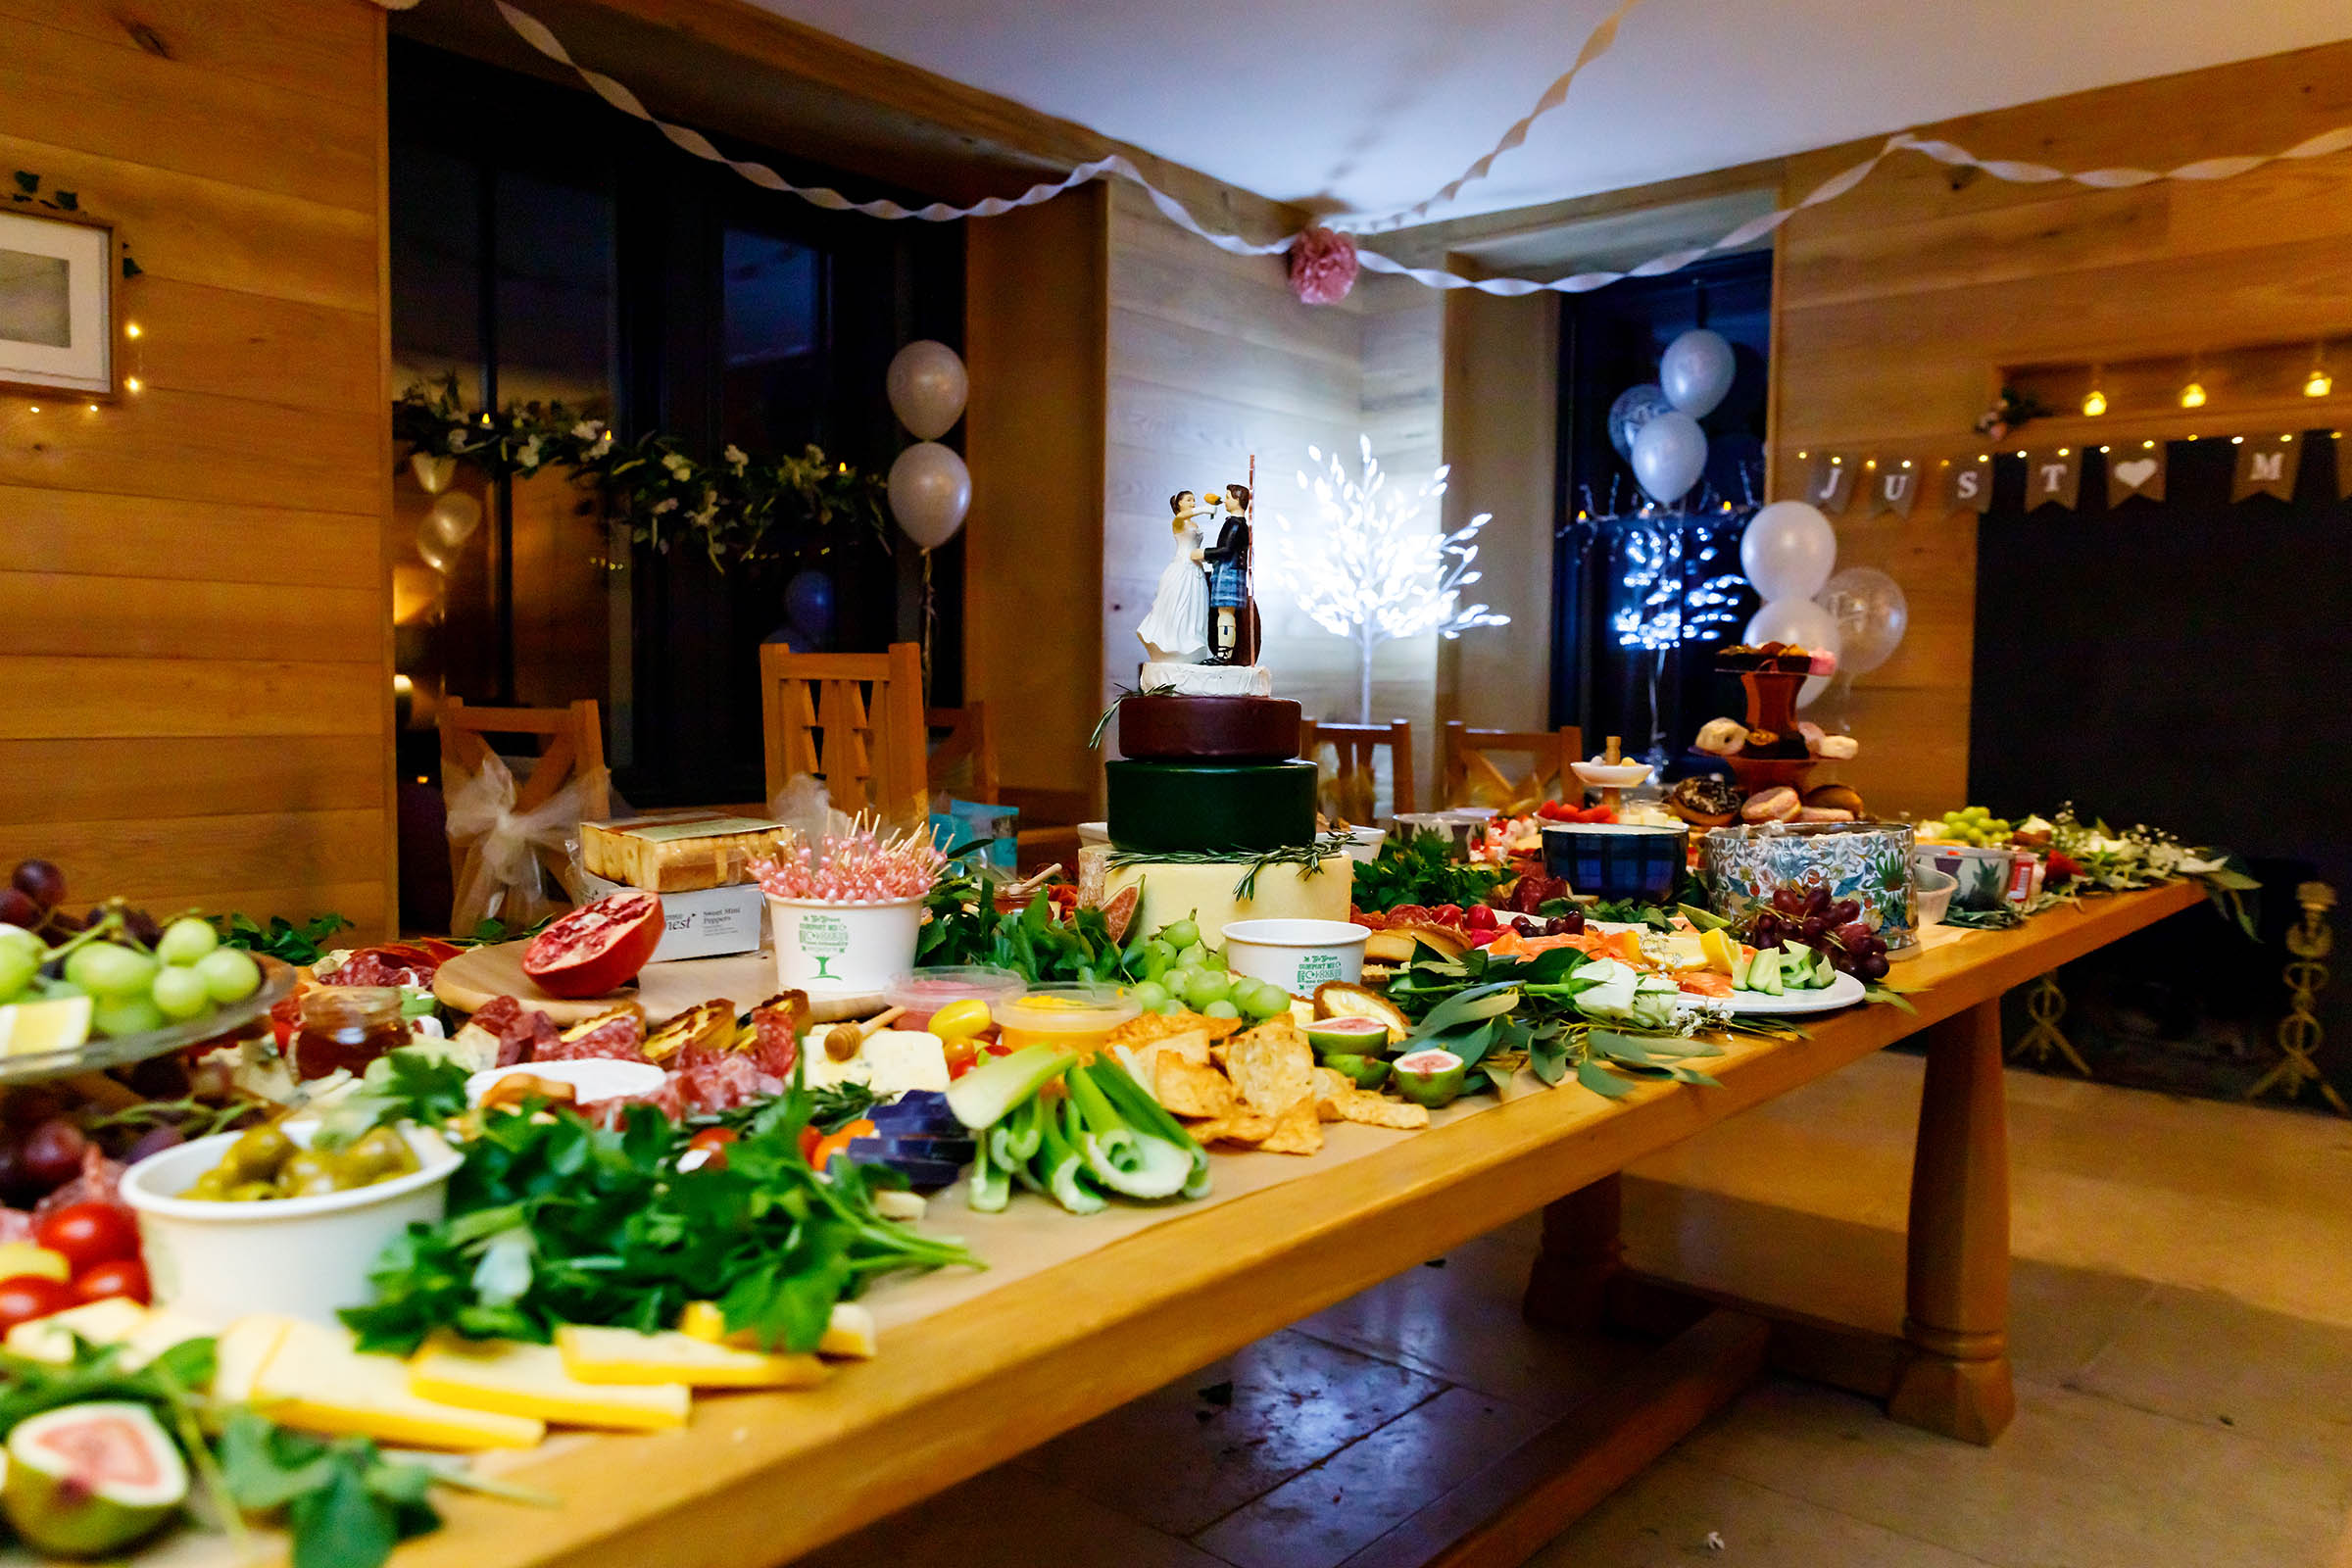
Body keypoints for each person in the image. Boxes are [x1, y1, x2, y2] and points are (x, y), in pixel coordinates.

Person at [1136, 490, 1210, 662]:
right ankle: (1172, 642)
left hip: (1195, 570)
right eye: (1189, 500)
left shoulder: (1194, 524)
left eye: (1194, 500)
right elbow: (1184, 516)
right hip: (1181, 568)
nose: (1193, 503)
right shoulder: (1178, 522)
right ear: (1179, 504)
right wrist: (1204, 509)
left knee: (1194, 607)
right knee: (1179, 605)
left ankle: (1191, 640)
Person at [1201, 481, 1255, 665]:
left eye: (1227, 497)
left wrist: (1203, 553)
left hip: (1229, 571)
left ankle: (1224, 655)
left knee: (1225, 613)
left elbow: (1225, 550)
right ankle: (1223, 653)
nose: (1224, 501)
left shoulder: (1236, 524)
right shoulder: (1236, 523)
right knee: (1223, 613)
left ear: (1236, 499)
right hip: (1225, 569)